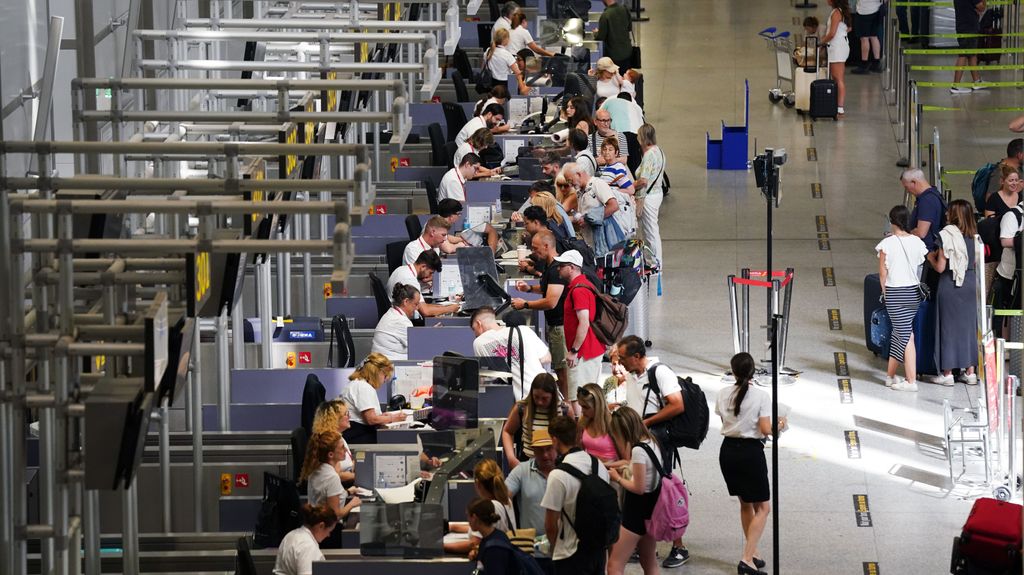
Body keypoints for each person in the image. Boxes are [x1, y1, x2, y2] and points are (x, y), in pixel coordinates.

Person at [615, 335, 688, 568]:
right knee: (644, 492)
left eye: (623, 358)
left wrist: (647, 422)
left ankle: (679, 546)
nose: (621, 363)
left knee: (661, 490)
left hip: (657, 440)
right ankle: (646, 540)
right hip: (640, 437)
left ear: (637, 356)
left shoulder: (660, 373)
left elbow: (677, 404)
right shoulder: (632, 375)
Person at [716, 353, 779, 575]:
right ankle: (746, 558)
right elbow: (764, 430)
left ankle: (753, 553)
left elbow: (725, 421)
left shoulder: (723, 394)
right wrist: (779, 426)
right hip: (750, 454)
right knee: (763, 507)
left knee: (745, 504)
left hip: (728, 452)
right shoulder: (761, 396)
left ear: (733, 371)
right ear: (753, 371)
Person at [540, 415, 611, 574]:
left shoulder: (558, 475)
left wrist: (554, 547)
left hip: (570, 554)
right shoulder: (598, 464)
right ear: (578, 436)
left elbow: (550, 525)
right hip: (598, 550)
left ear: (555, 440)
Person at [927, 199, 979, 386]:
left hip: (950, 284)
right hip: (970, 283)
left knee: (948, 328)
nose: (946, 214)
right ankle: (970, 371)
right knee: (968, 329)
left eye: (949, 211)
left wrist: (930, 258)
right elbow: (974, 263)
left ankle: (947, 373)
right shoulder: (975, 236)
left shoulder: (945, 235)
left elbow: (941, 267)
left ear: (954, 214)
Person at [877, 205, 929, 392]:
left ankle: (911, 381)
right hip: (912, 294)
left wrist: (885, 292)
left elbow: (883, 273)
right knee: (901, 333)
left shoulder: (886, 244)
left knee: (906, 336)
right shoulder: (917, 242)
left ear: (892, 222)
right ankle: (890, 377)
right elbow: (920, 264)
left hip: (895, 293)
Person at [606, 406, 663, 575]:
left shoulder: (638, 450)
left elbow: (638, 488)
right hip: (652, 510)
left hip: (635, 513)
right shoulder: (652, 441)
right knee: (649, 562)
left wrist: (617, 478)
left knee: (614, 565)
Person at [510, 231, 570, 387]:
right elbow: (547, 288)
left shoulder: (557, 269)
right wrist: (529, 289)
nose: (534, 253)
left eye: (536, 249)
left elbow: (551, 302)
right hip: (555, 326)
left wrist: (525, 304)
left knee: (562, 372)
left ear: (547, 246)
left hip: (560, 327)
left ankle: (568, 406)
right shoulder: (550, 267)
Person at [557, 249, 605, 416]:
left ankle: (583, 431)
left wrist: (574, 351)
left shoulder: (579, 290)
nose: (558, 269)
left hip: (584, 352)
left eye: (561, 266)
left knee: (580, 395)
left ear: (572, 267)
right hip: (586, 350)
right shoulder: (581, 286)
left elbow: (583, 323)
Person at [471, 306, 551, 400]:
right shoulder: (524, 330)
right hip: (546, 394)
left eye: (474, 329)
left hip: (518, 402)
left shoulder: (479, 343)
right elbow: (546, 358)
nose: (475, 334)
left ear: (479, 323)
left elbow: (488, 375)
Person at [502, 373, 564, 469]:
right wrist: (511, 458)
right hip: (528, 462)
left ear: (553, 396)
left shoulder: (564, 410)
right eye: (536, 397)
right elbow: (507, 432)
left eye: (544, 398)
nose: (539, 402)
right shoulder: (522, 408)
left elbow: (572, 440)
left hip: (556, 464)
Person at [341, 352, 405, 443]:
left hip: (352, 433)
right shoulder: (363, 387)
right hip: (358, 435)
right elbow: (371, 420)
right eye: (385, 375)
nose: (385, 380)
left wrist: (382, 416)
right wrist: (393, 418)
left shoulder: (357, 384)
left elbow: (366, 416)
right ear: (376, 372)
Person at [564, 162, 626, 255]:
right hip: (590, 240)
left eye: (570, 180)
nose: (570, 184)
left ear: (578, 174)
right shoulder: (579, 191)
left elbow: (613, 206)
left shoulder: (597, 184)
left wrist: (589, 219)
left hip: (605, 240)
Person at [299, 431, 361, 521]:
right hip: (330, 528)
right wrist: (353, 503)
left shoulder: (316, 470)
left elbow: (328, 497)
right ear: (331, 454)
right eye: (342, 448)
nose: (346, 450)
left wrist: (348, 492)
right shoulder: (332, 477)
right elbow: (335, 515)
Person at [506, 428, 558, 532]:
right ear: (533, 450)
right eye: (540, 450)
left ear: (556, 447)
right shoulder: (521, 471)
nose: (545, 455)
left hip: (561, 544)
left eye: (549, 449)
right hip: (530, 544)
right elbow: (502, 495)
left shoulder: (565, 470)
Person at [273, 504, 338, 575]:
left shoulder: (291, 535)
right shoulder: (308, 546)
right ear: (321, 526)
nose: (328, 535)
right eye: (329, 531)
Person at [634, 123, 666, 264]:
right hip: (657, 193)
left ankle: (655, 261)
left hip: (649, 196)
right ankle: (653, 259)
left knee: (650, 231)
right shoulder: (659, 151)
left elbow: (644, 180)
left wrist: (631, 185)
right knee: (652, 229)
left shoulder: (648, 155)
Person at [993, 196, 1023, 338]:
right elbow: (1004, 241)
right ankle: (1006, 349)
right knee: (1008, 312)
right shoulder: (1012, 215)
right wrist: (1020, 239)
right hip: (1010, 274)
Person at [465, 498, 519, 575]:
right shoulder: (494, 538)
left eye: (468, 516)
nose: (468, 520)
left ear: (474, 518)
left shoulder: (494, 548)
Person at [370, 284, 419, 361]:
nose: (417, 308)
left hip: (382, 363)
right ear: (406, 301)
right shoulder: (400, 321)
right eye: (415, 304)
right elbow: (418, 348)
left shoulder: (392, 312)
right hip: (387, 368)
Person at [902, 168, 946, 254]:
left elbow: (921, 233)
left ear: (913, 182)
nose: (908, 191)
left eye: (906, 187)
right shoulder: (934, 193)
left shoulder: (927, 200)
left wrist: (903, 234)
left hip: (925, 252)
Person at [311, 401, 355, 485]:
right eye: (346, 414)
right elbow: (335, 475)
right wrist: (356, 476)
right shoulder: (329, 443)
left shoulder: (338, 436)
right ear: (334, 418)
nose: (349, 416)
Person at [821, 0, 850, 117]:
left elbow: (832, 33)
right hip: (837, 47)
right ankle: (837, 105)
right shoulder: (838, 12)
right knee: (836, 77)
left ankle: (840, 108)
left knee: (838, 78)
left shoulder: (837, 13)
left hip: (837, 48)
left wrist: (821, 42)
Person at [577, 383, 619, 464]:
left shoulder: (614, 423)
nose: (582, 411)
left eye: (586, 407)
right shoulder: (583, 422)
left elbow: (626, 460)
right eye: (581, 406)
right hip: (588, 469)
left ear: (598, 405)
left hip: (610, 471)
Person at [950, 0, 986, 93]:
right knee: (964, 54)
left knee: (972, 54)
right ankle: (956, 85)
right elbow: (981, 7)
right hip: (969, 27)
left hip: (963, 25)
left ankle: (977, 80)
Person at [595, 0, 633, 74]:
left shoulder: (605, 15)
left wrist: (596, 33)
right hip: (627, 51)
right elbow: (629, 28)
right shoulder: (624, 9)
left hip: (613, 55)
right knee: (626, 79)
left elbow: (600, 37)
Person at [985, 139, 1024, 203]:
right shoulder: (999, 173)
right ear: (1020, 155)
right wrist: (1015, 190)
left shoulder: (1018, 168)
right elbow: (989, 200)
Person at [852, 0, 884, 74]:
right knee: (874, 36)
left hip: (864, 10)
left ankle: (864, 64)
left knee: (864, 38)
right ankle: (876, 63)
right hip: (877, 9)